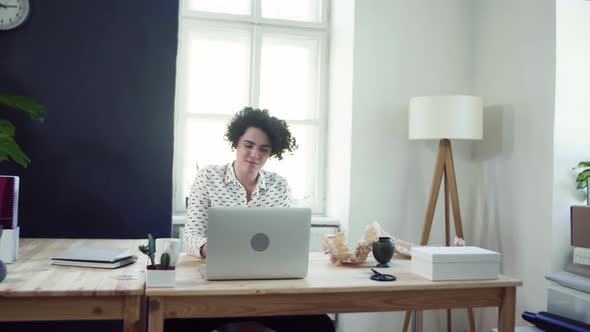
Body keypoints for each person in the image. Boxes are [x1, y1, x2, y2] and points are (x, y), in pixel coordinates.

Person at [172, 107, 335, 332]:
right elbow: (190, 236)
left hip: (270, 292)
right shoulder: (208, 177)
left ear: (271, 153)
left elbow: (288, 240)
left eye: (263, 149)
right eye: (248, 145)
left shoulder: (279, 186)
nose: (254, 154)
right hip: (216, 290)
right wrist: (213, 250)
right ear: (236, 143)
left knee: (321, 326)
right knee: (173, 324)